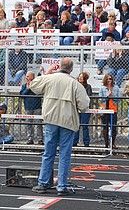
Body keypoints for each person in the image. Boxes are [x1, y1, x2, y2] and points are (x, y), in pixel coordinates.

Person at [30, 57, 90, 196]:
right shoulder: (74, 84)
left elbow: (33, 85)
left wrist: (47, 73)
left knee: (48, 153)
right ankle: (62, 186)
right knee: (64, 154)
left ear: (59, 66)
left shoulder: (50, 78)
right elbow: (84, 105)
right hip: (67, 121)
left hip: (51, 119)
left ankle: (43, 183)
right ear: (71, 69)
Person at [20, 71, 43, 145]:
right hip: (28, 107)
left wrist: (32, 86)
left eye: (28, 76)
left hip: (37, 107)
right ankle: (30, 138)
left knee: (38, 123)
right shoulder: (24, 86)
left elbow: (39, 92)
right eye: (26, 76)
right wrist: (27, 89)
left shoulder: (37, 85)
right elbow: (22, 95)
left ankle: (40, 138)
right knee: (29, 123)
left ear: (32, 77)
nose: (26, 78)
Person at [99, 73, 120, 148]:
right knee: (105, 126)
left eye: (110, 79)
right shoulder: (102, 88)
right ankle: (106, 143)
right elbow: (100, 99)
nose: (109, 80)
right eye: (108, 79)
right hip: (105, 109)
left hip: (113, 109)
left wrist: (112, 96)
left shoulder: (116, 88)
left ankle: (113, 143)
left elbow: (118, 99)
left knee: (113, 126)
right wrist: (107, 96)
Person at [73, 72, 92, 147]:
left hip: (85, 109)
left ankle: (86, 142)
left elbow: (88, 96)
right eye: (79, 76)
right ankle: (74, 141)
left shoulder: (88, 87)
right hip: (76, 108)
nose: (80, 78)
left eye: (82, 77)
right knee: (76, 126)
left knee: (84, 125)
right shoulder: (75, 86)